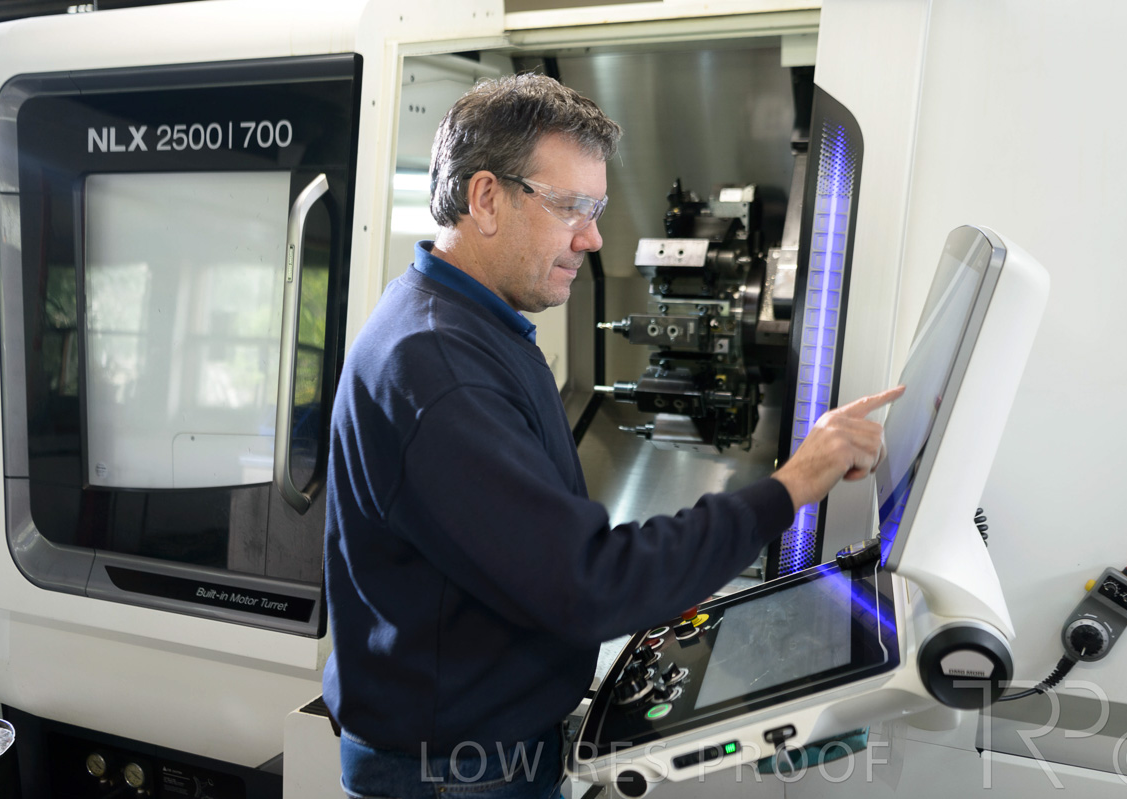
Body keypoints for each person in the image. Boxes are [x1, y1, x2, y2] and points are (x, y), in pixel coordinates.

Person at [322, 72, 903, 799]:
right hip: (454, 774)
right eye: (570, 207)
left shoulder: (466, 323)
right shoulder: (438, 368)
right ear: (486, 198)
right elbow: (587, 584)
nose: (592, 238)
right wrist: (792, 487)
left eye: (595, 209)